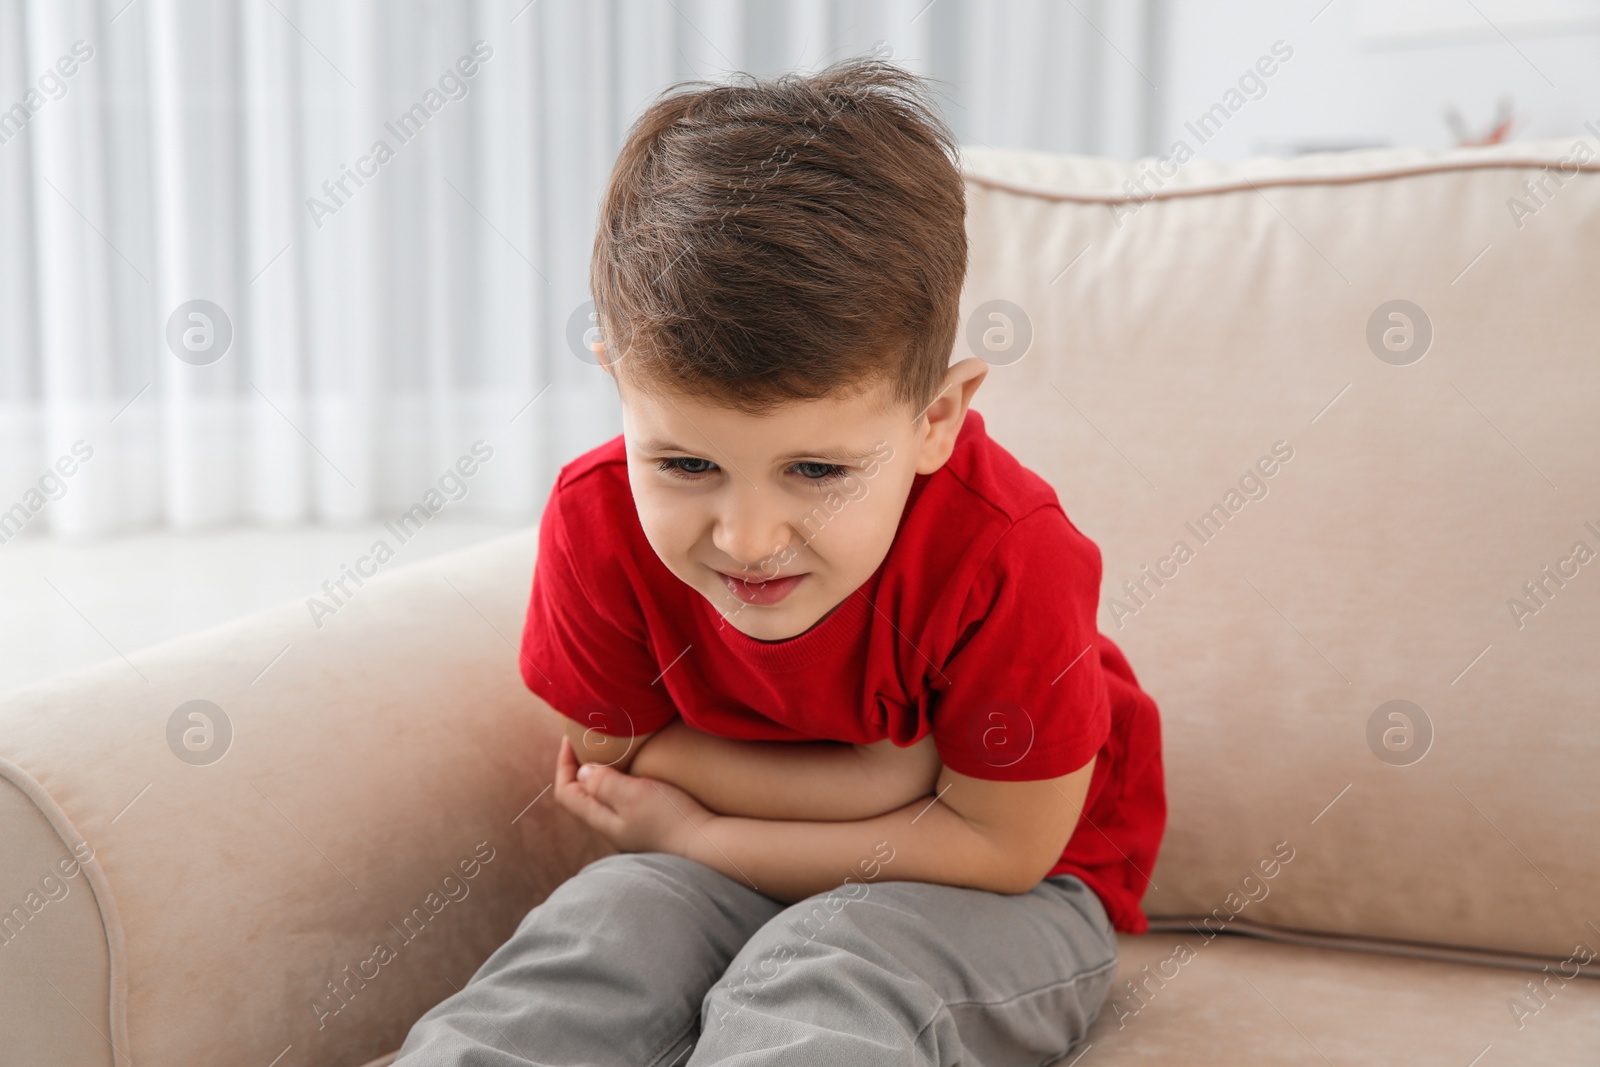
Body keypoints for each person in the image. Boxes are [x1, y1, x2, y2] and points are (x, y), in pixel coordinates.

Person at [393, 55, 1165, 1067]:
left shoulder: (1008, 551)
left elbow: (1000, 842)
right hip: (766, 857)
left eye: (815, 467)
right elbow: (607, 748)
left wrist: (701, 832)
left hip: (1012, 889)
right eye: (684, 461)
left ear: (936, 417)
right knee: (596, 939)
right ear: (617, 384)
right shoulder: (594, 516)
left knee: (824, 971)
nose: (747, 538)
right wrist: (890, 773)